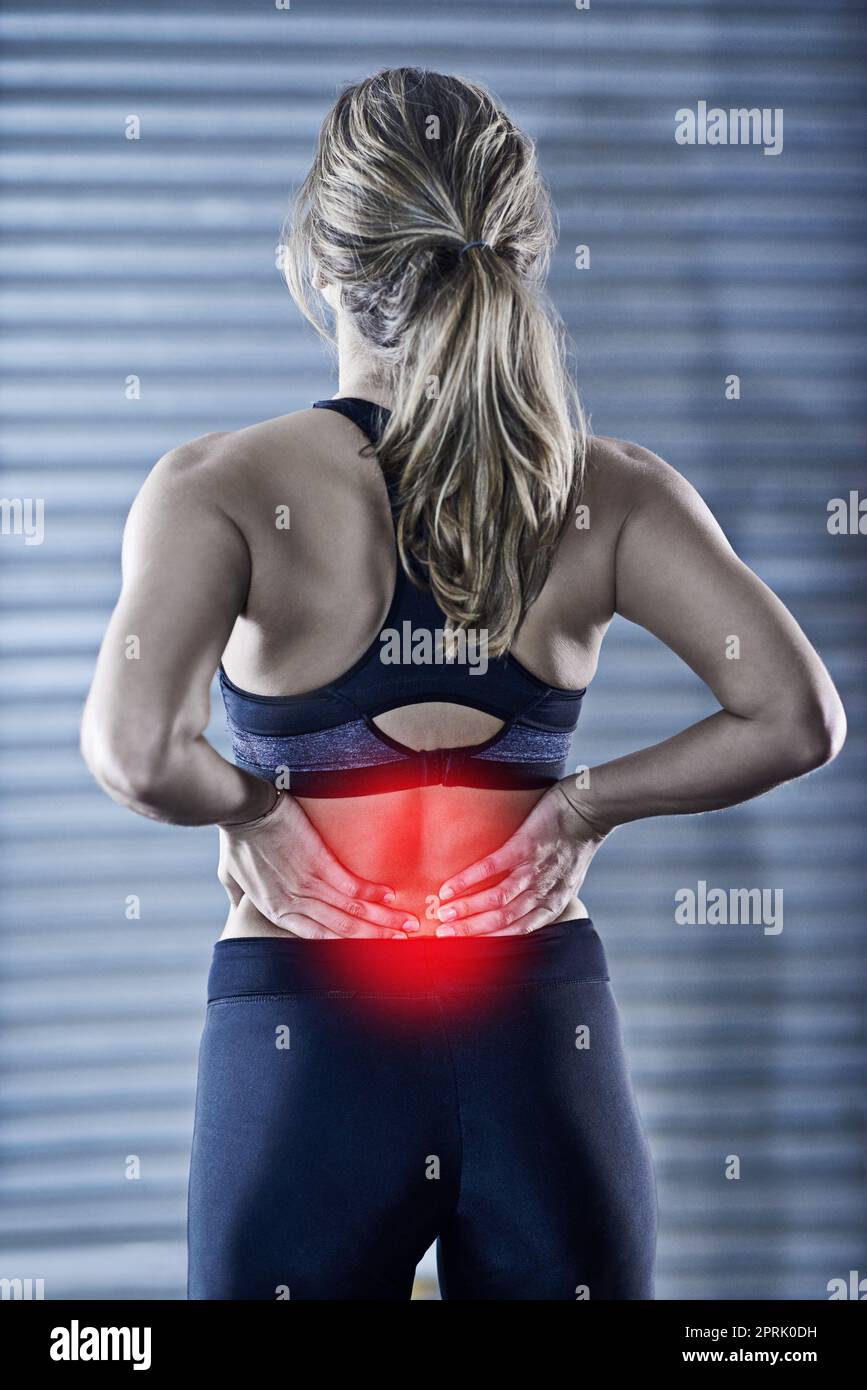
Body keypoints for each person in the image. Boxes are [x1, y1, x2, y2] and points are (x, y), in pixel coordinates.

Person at [80, 68, 846, 1300]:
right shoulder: (609, 491)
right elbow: (798, 716)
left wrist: (259, 810)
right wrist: (586, 805)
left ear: (324, 264)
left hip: (306, 1029)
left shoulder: (220, 486)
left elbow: (134, 752)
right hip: (535, 1024)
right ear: (520, 252)